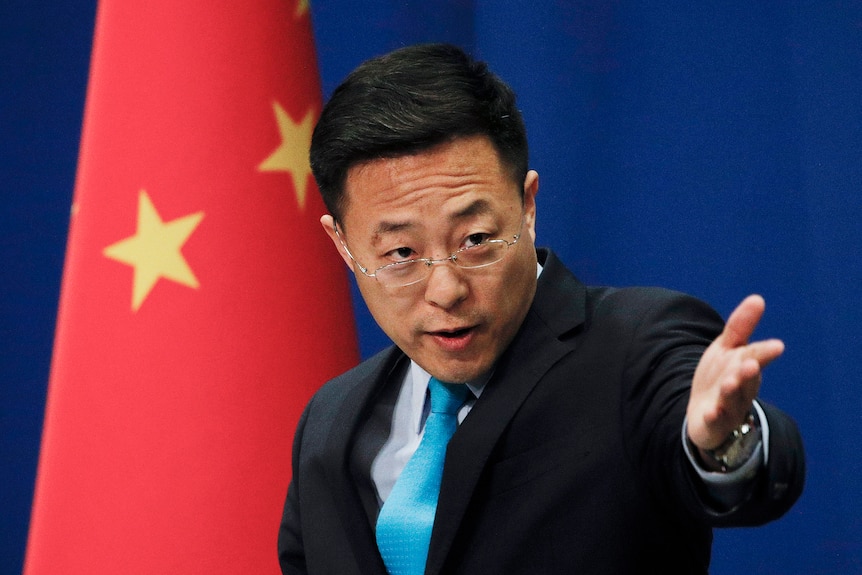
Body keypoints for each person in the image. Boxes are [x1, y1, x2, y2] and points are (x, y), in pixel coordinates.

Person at [277, 43, 805, 575]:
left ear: (527, 207)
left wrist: (725, 443)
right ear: (344, 246)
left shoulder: (636, 348)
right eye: (401, 254)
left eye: (475, 238)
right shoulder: (329, 421)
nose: (446, 289)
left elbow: (727, 452)